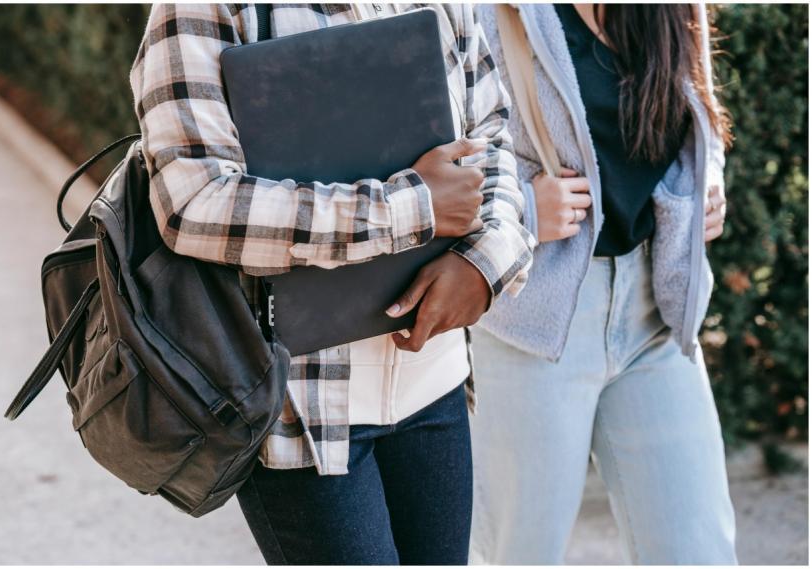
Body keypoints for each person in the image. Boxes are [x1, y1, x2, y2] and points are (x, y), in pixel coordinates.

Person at [129, 3, 533, 564]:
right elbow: (192, 203)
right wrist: (407, 208)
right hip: (301, 404)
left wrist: (486, 263)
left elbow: (490, 135)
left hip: (434, 383)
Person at [470, 3, 736, 564]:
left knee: (699, 550)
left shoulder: (670, 9)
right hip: (534, 322)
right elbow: (445, 145)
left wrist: (707, 189)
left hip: (655, 313)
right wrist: (518, 205)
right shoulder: (492, 11)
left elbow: (698, 119)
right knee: (522, 552)